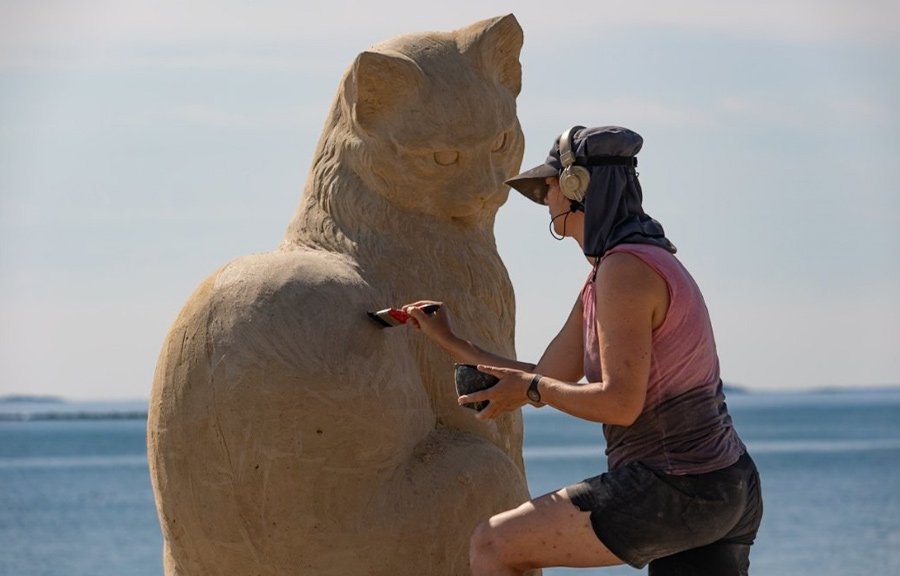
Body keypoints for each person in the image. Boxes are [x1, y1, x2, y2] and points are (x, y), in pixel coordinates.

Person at [402, 126, 763, 575]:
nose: (545, 201)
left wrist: (532, 390)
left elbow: (618, 403)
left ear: (577, 187)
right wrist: (450, 341)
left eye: (550, 186)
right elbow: (554, 373)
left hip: (676, 489)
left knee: (494, 543)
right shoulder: (616, 270)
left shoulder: (624, 271)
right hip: (725, 486)